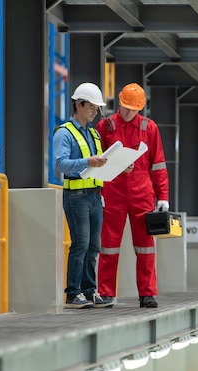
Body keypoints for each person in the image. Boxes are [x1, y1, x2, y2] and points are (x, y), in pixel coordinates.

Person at [96, 83, 170, 308]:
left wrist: (163, 196)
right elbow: (97, 160)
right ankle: (106, 293)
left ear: (141, 109)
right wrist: (98, 190)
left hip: (142, 193)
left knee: (145, 246)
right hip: (113, 192)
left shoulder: (150, 128)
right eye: (125, 107)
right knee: (109, 245)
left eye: (133, 109)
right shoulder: (105, 126)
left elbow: (158, 164)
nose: (128, 113)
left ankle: (147, 293)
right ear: (119, 102)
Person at [53, 82, 115, 309]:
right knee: (81, 244)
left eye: (97, 108)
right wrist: (86, 162)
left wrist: (117, 165)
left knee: (94, 246)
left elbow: (98, 165)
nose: (95, 112)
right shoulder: (64, 133)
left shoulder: (94, 134)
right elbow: (60, 164)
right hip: (77, 196)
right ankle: (73, 293)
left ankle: (89, 291)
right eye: (91, 107)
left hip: (95, 196)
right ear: (79, 105)